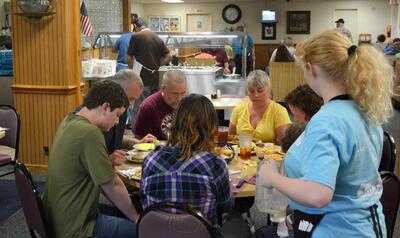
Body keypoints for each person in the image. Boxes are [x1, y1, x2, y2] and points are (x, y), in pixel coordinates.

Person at [259, 30, 393, 237]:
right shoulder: (364, 109)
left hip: (337, 228)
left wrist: (272, 178)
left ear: (311, 69)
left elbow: (317, 194)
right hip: (365, 224)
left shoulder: (327, 121)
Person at [43, 80, 141, 238]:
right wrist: (137, 219)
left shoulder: (69, 120)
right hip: (77, 227)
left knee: (123, 210)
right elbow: (112, 185)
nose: (117, 122)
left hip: (58, 218)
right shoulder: (90, 133)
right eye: (116, 115)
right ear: (105, 107)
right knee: (147, 229)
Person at [140, 94, 233, 226]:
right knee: (238, 223)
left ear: (175, 122)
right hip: (200, 234)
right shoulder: (215, 164)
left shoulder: (150, 160)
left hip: (156, 232)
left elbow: (143, 199)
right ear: (211, 126)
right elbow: (225, 207)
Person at [104, 69, 156, 166]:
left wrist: (137, 143)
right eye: (130, 98)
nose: (131, 104)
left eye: (134, 100)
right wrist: (106, 160)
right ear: (117, 89)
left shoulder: (122, 108)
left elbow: (116, 137)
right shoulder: (100, 113)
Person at [229, 70, 291, 144]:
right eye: (252, 91)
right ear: (247, 92)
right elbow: (231, 138)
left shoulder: (279, 111)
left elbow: (283, 144)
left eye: (260, 91)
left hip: (270, 155)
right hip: (242, 154)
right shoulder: (239, 109)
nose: (256, 95)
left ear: (268, 89)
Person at [133, 70, 187, 140]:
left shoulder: (188, 103)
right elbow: (139, 139)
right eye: (175, 93)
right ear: (163, 89)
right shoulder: (148, 107)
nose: (179, 98)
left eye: (183, 93)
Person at [127, 18, 170, 95]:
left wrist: (131, 73)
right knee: (152, 102)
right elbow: (168, 56)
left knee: (141, 103)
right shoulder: (157, 38)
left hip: (141, 78)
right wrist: (157, 66)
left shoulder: (136, 37)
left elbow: (129, 58)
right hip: (155, 77)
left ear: (136, 26)